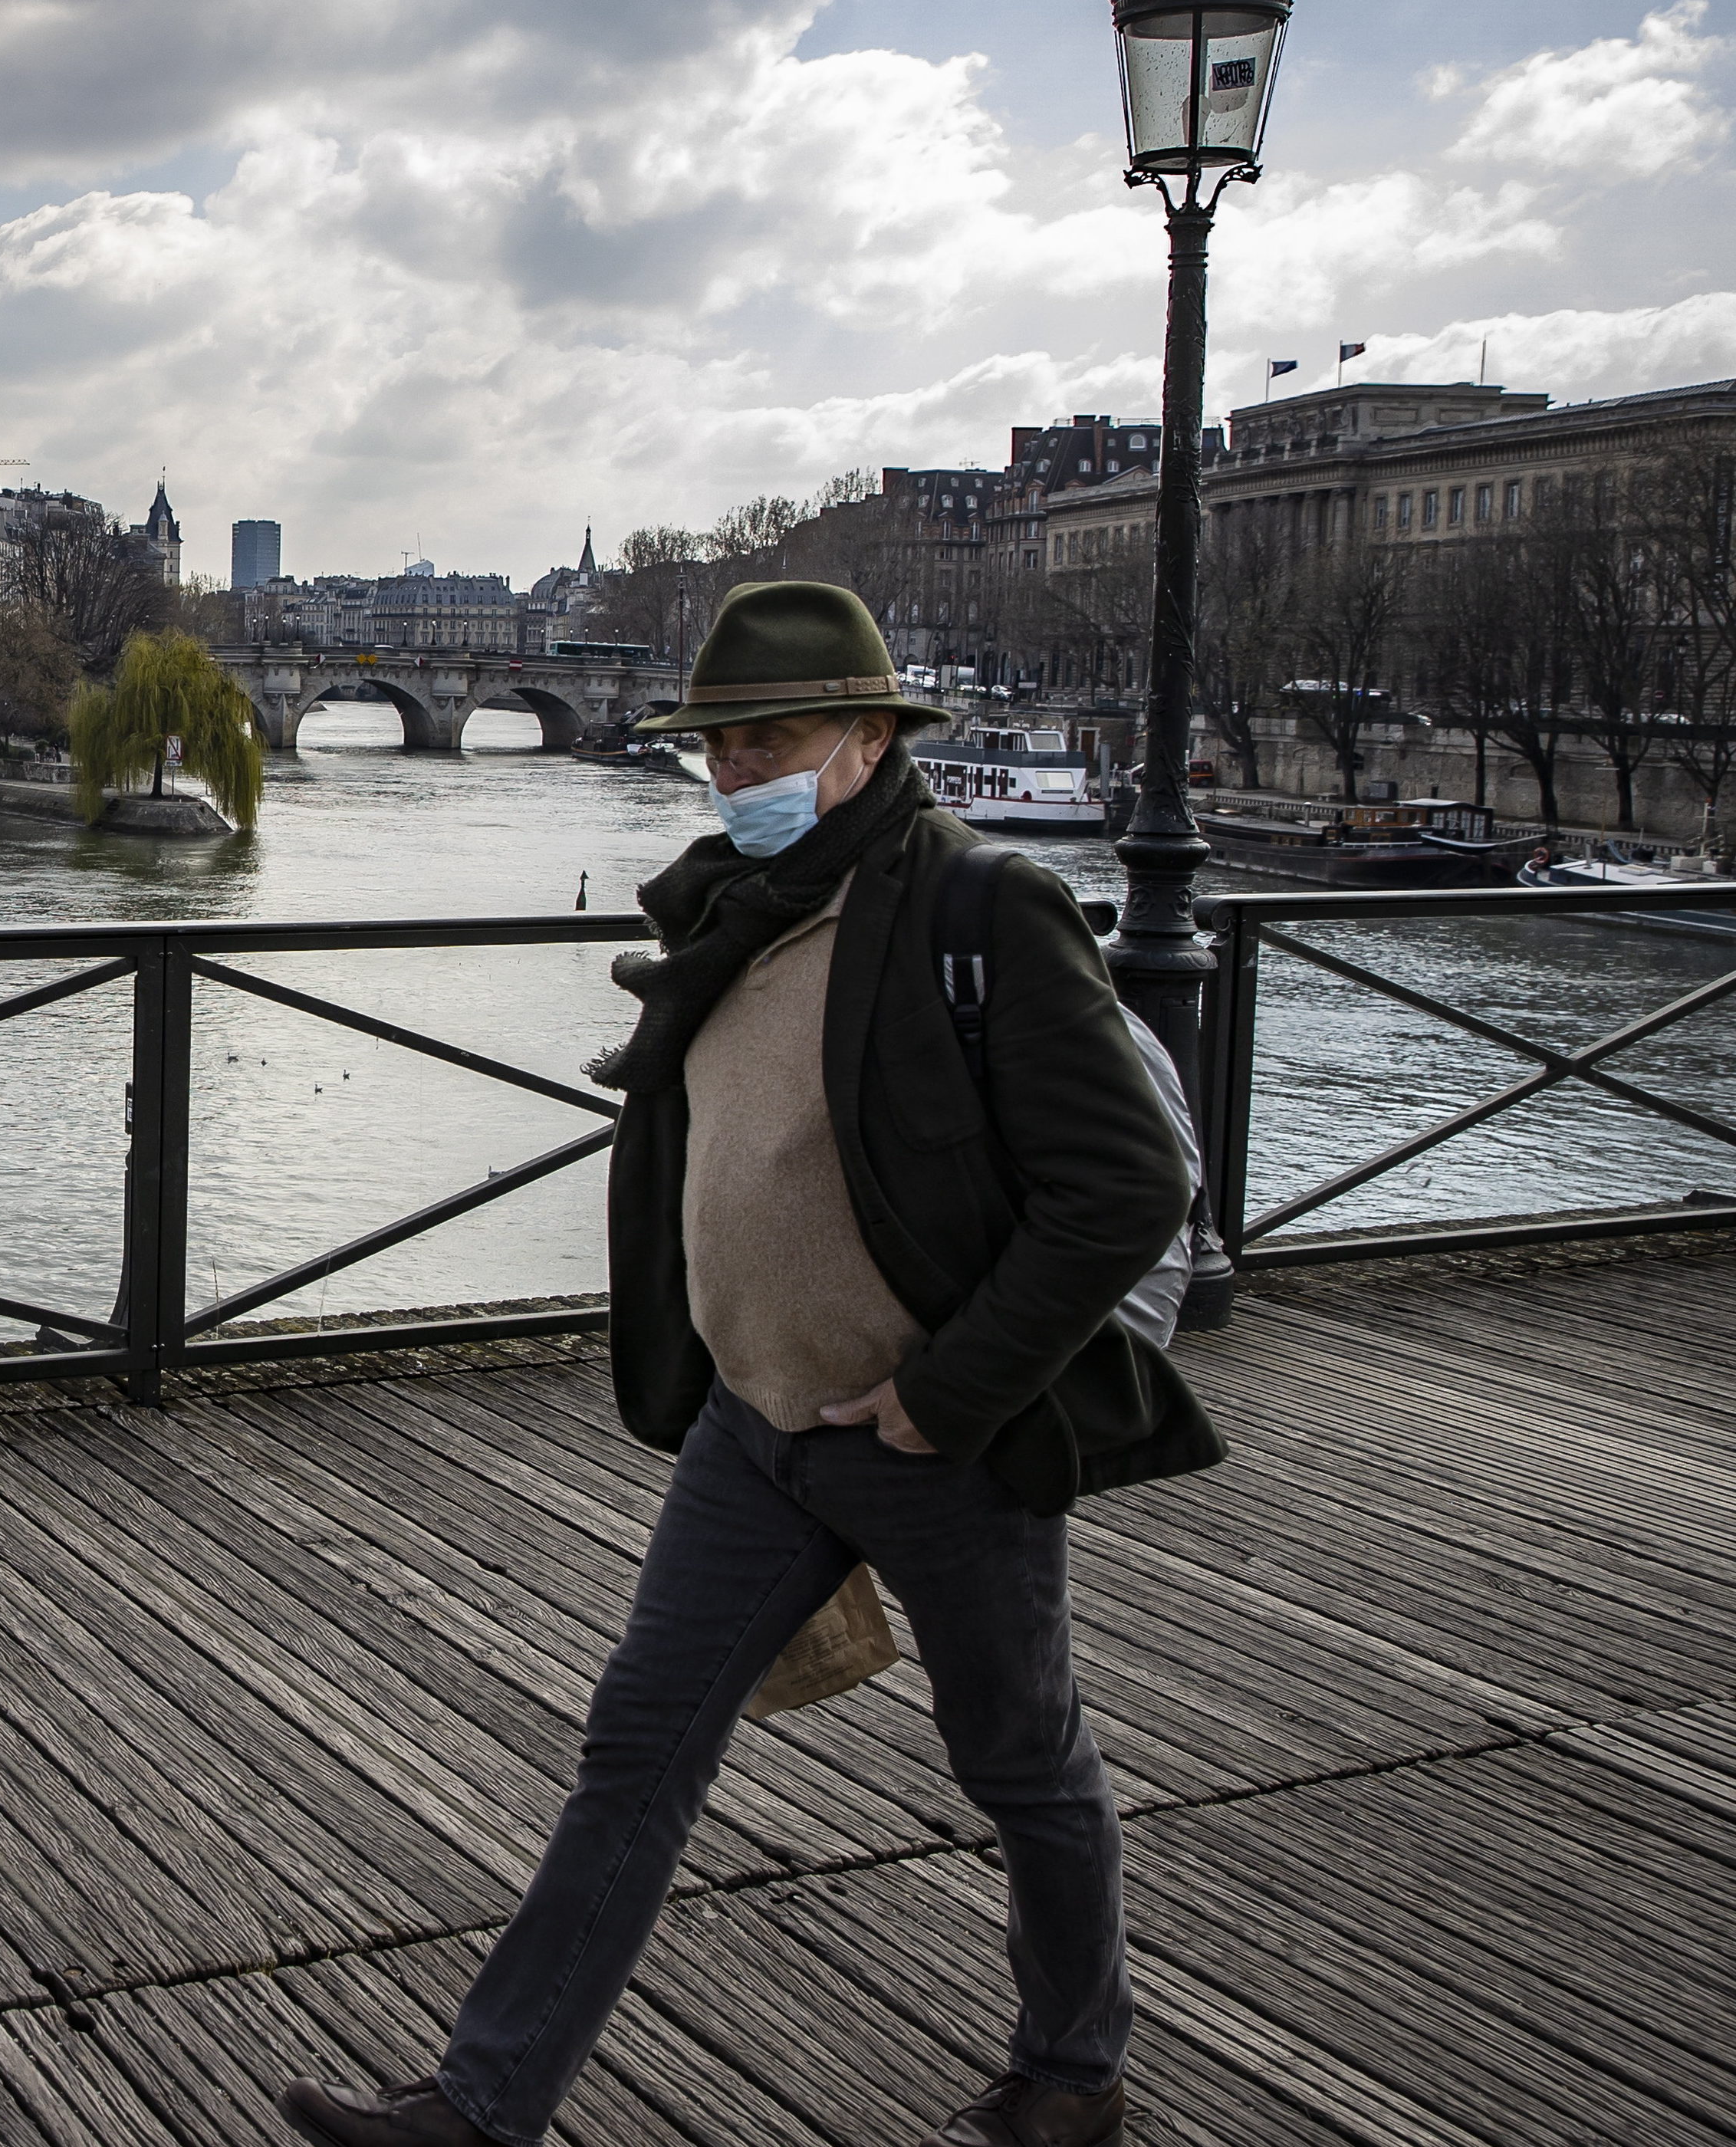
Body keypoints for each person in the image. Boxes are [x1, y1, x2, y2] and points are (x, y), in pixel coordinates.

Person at [277, 581, 1216, 2147]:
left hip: (938, 1434)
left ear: (866, 735)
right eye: (718, 744)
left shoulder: (984, 905)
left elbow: (1126, 1187)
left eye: (768, 738)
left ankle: (1073, 2068)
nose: (734, 771)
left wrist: (947, 1391)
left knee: (1021, 1761)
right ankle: (480, 2103)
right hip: (756, 1419)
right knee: (636, 1745)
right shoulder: (728, 904)